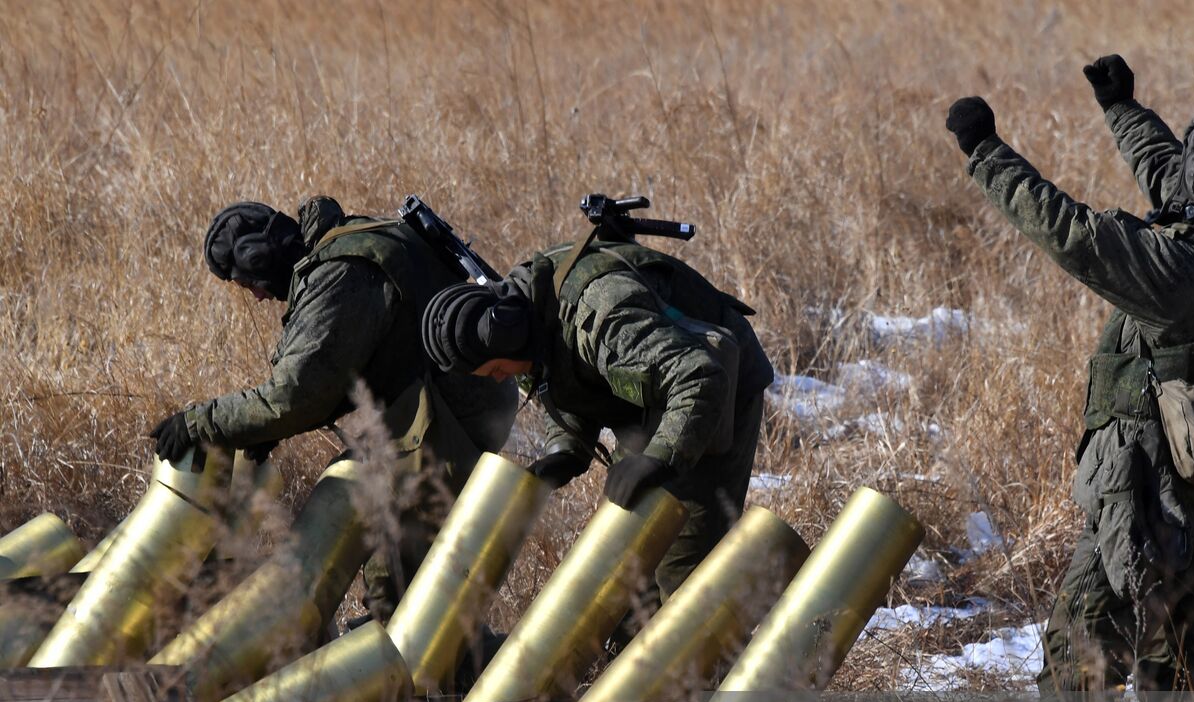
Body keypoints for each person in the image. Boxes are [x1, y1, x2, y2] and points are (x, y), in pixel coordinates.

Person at [944, 55, 1194, 692]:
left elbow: (1074, 234)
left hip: (1144, 485)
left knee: (1078, 650)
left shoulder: (1186, 274)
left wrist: (986, 151)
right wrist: (1122, 109)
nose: (1184, 174)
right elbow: (1181, 185)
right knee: (1186, 660)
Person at [149, 196, 518, 616]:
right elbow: (346, 365)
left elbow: (296, 397)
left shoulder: (340, 274)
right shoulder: (348, 242)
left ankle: (421, 669)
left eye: (247, 280)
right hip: (455, 405)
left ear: (260, 254)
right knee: (405, 582)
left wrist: (202, 422)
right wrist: (260, 430)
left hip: (450, 417)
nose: (256, 296)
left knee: (394, 588)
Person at [420, 223, 773, 604]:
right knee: (625, 569)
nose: (502, 377)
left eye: (497, 370)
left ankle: (708, 660)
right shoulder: (529, 316)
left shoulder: (602, 313)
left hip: (715, 390)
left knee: (683, 575)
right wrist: (564, 451)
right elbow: (565, 372)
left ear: (507, 333)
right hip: (656, 394)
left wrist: (658, 459)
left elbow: (699, 376)